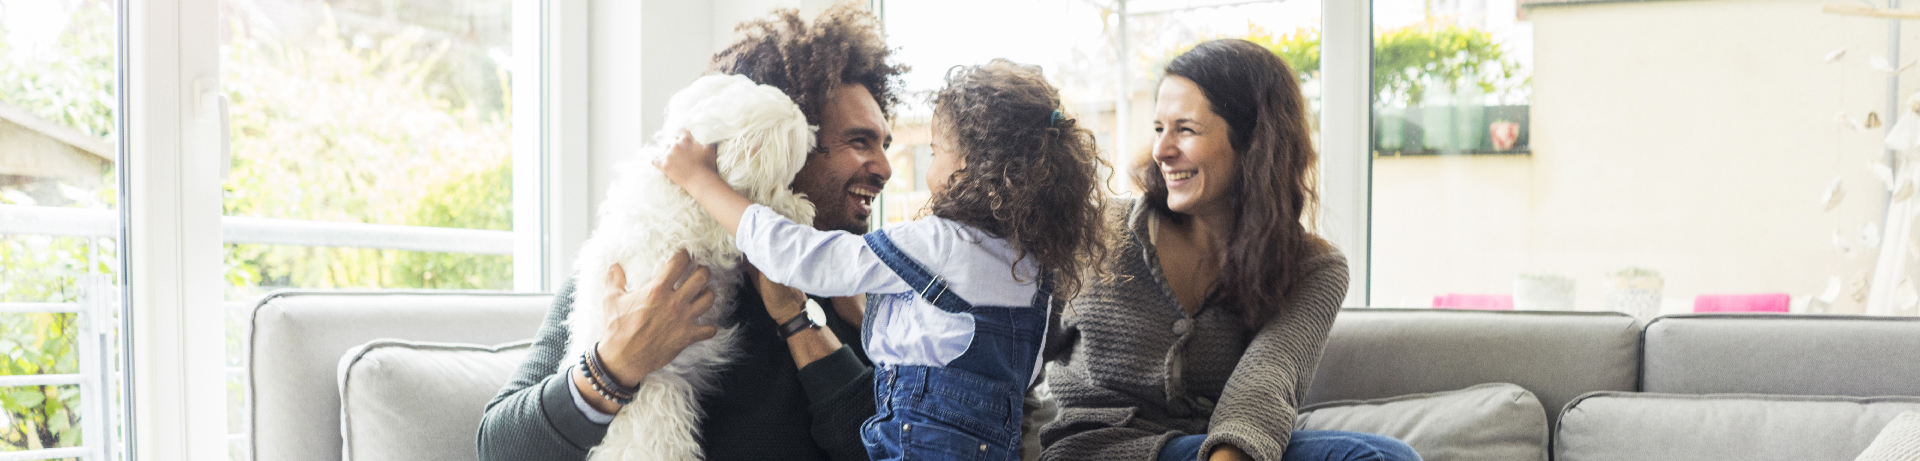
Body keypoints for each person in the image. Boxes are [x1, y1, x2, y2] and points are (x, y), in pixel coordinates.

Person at [476, 6, 905, 461]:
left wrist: (798, 320)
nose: (885, 169)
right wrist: (615, 363)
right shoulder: (641, 266)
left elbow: (888, 451)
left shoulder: (860, 302)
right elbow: (498, 448)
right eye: (859, 142)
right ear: (777, 142)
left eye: (884, 144)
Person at [656, 59, 1107, 461]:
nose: (891, 169)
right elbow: (984, 359)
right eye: (859, 141)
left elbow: (795, 256)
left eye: (933, 153)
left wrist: (699, 178)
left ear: (968, 166)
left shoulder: (937, 243)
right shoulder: (1030, 267)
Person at [1037, 39, 1422, 461]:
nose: (1162, 151)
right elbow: (1010, 352)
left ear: (1255, 142)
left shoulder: (1313, 267)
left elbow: (1264, 385)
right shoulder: (1094, 232)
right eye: (1159, 128)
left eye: (1185, 129)